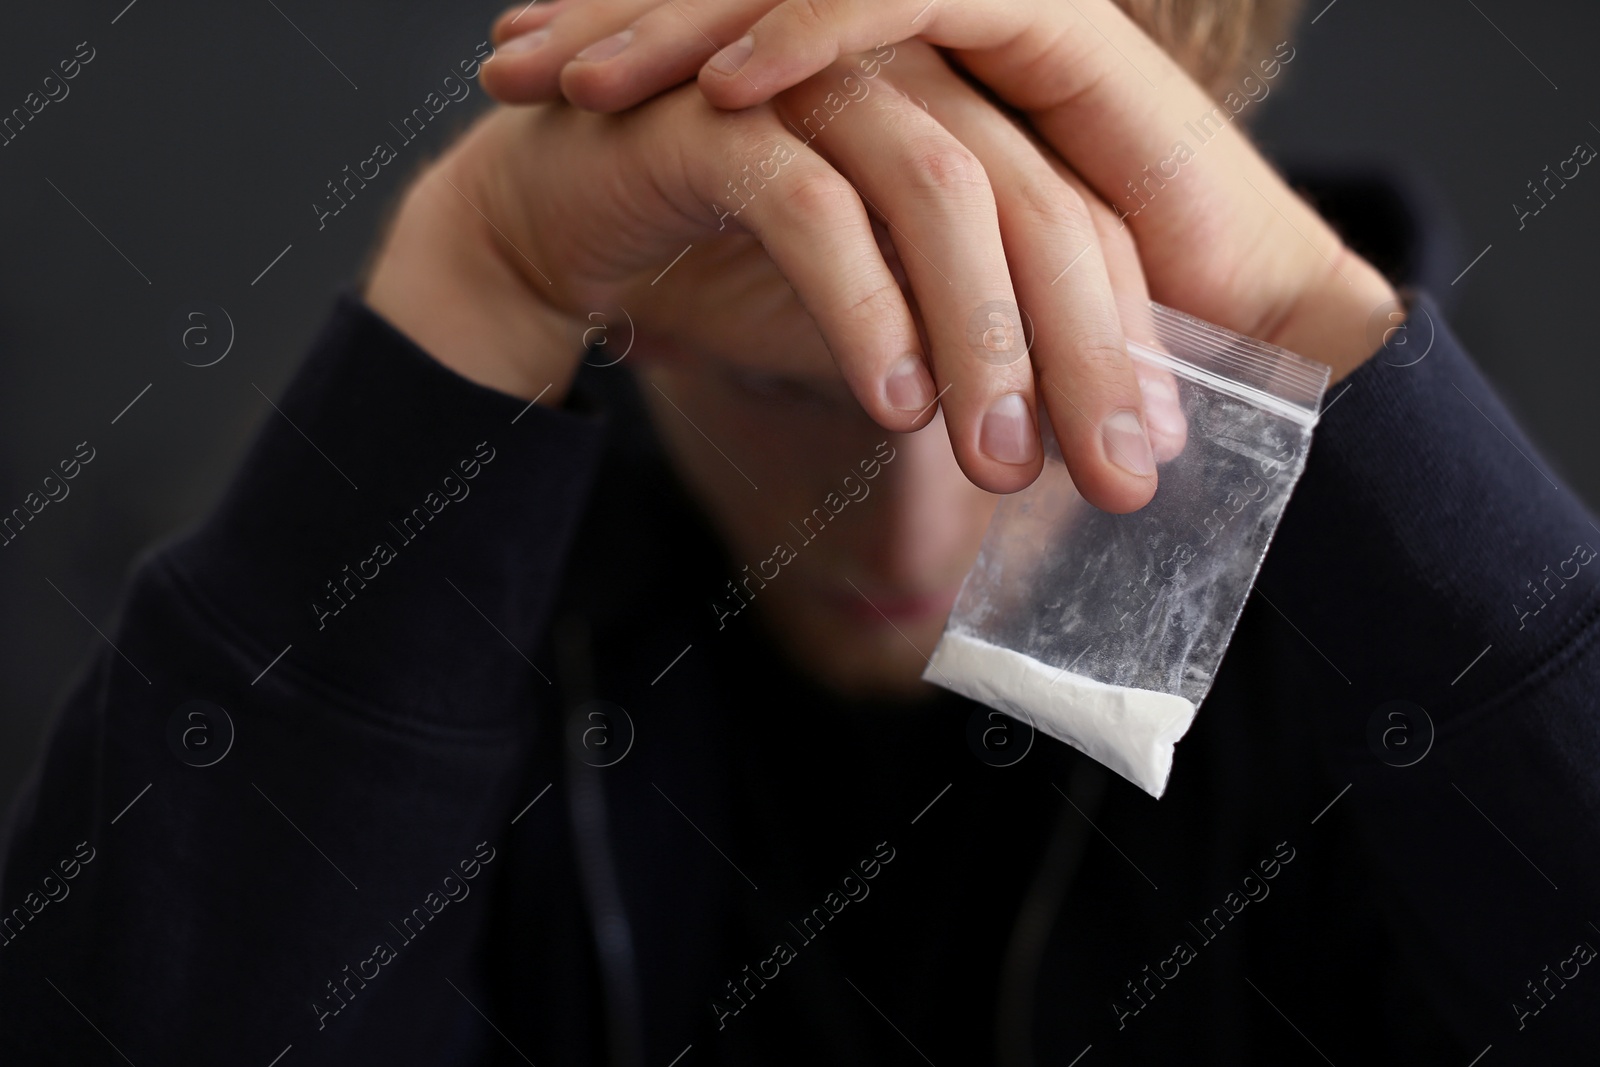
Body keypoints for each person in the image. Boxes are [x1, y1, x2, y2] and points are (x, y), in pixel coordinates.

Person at [1, 0, 1596, 1061]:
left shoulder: (1382, 642)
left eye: (1030, 387)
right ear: (634, 322)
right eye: (783, 391)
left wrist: (1306, 329)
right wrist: (477, 277)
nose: (907, 542)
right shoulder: (442, 599)